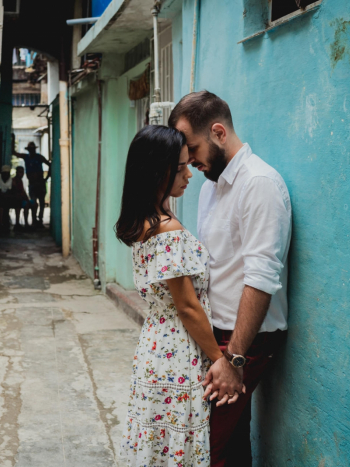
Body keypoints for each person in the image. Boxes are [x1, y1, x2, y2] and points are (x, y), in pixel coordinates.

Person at [169, 91, 292, 466]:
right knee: (230, 444)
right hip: (216, 338)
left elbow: (260, 277)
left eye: (192, 147)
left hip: (245, 342)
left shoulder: (260, 184)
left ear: (219, 132)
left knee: (207, 448)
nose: (190, 160)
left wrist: (234, 359)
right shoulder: (210, 187)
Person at [117, 125, 226, 466]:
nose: (189, 175)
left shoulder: (143, 222)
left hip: (154, 347)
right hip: (178, 352)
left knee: (156, 442)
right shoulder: (168, 230)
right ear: (157, 171)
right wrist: (221, 359)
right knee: (177, 443)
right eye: (181, 168)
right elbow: (188, 308)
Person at [12, 141, 51, 226]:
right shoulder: (26, 157)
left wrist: (46, 178)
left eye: (33, 149)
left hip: (40, 183)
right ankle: (34, 221)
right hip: (32, 184)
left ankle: (40, 219)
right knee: (33, 202)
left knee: (41, 202)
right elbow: (15, 153)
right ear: (28, 150)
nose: (32, 150)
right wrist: (13, 139)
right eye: (30, 149)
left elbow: (50, 164)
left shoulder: (39, 157)